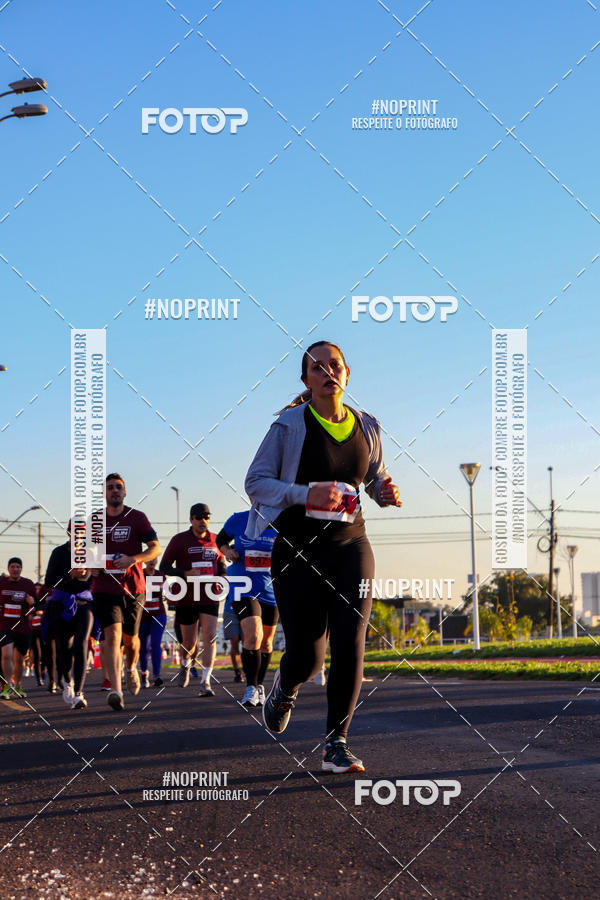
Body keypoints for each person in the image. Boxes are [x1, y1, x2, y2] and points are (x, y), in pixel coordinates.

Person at [245, 341, 402, 773]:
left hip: (351, 546)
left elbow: (373, 477)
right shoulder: (288, 426)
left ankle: (337, 743)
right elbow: (255, 481)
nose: (327, 372)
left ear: (347, 373)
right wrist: (303, 493)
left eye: (334, 365)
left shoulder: (367, 425)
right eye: (317, 368)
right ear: (306, 381)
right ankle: (284, 688)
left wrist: (383, 492)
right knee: (308, 656)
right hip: (297, 549)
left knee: (351, 641)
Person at [90, 473, 161, 711]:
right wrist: (91, 565)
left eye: (118, 487)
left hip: (133, 589)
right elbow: (84, 552)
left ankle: (131, 668)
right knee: (112, 636)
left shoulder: (137, 518)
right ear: (104, 493)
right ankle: (116, 690)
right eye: (110, 488)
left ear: (125, 491)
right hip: (104, 589)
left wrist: (133, 559)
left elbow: (155, 548)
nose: (114, 491)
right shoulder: (95, 520)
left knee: (131, 641)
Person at [160, 503, 226, 697]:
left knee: (210, 636)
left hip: (209, 595)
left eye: (206, 517)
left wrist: (223, 576)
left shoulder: (215, 540)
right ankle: (185, 664)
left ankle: (206, 681)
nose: (203, 521)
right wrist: (185, 573)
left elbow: (221, 563)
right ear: (191, 520)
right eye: (199, 517)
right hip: (186, 596)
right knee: (189, 643)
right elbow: (164, 566)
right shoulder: (179, 540)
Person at [216, 509, 278, 707]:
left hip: (270, 590)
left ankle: (260, 685)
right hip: (243, 587)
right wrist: (227, 551)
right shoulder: (238, 519)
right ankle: (250, 687)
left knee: (267, 643)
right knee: (253, 635)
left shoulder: (281, 520)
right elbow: (220, 539)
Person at [43, 524, 94, 709]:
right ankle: (66, 680)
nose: (79, 535)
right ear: (69, 532)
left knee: (82, 643)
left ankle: (79, 693)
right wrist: (69, 575)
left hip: (84, 604)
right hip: (62, 604)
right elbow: (49, 580)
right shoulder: (58, 552)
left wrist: (94, 572)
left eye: (83, 531)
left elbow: (98, 577)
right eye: (76, 531)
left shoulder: (92, 552)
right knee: (64, 648)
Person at [0, 557, 36, 699]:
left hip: (22, 627)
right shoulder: (1, 583)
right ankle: (7, 685)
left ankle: (18, 686)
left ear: (21, 569)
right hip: (4, 625)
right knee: (6, 655)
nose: (15, 569)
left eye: (18, 567)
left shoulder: (28, 584)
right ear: (8, 568)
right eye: (12, 567)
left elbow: (37, 605)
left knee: (19, 660)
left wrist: (32, 602)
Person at [139, 558, 167, 687]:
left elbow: (168, 594)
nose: (151, 561)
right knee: (143, 647)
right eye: (149, 559)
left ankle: (157, 675)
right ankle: (144, 673)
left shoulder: (161, 576)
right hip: (142, 616)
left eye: (154, 559)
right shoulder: (140, 574)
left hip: (158, 614)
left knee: (156, 643)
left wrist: (168, 592)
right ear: (144, 561)